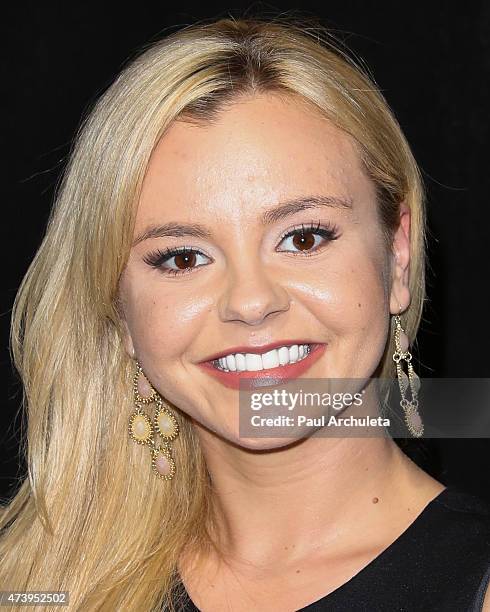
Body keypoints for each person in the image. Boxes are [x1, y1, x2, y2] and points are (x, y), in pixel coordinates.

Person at [1, 16, 489, 612]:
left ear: (397, 255)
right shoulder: (32, 582)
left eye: (303, 239)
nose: (251, 302)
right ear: (121, 310)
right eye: (183, 257)